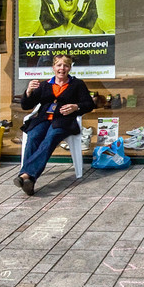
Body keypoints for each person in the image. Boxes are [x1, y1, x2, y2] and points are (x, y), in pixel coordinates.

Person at [16, 54, 95, 195]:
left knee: (50, 139)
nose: (62, 68)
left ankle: (25, 175)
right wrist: (28, 91)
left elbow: (89, 104)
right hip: (43, 119)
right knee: (33, 136)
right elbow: (26, 106)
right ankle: (29, 179)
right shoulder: (45, 85)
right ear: (53, 67)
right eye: (59, 65)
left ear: (70, 68)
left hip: (64, 121)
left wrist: (76, 107)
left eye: (65, 65)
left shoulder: (77, 84)